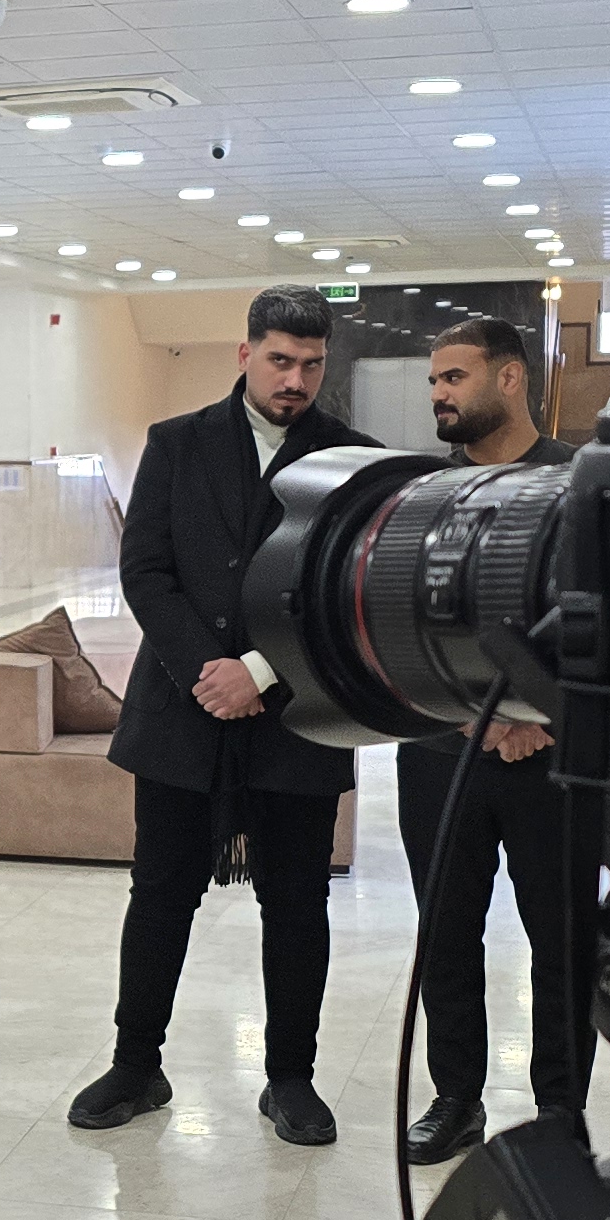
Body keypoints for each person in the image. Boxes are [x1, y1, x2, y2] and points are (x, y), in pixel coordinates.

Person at [70, 286, 365, 1147]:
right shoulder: (177, 443)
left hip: (298, 717)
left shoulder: (352, 458)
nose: (295, 379)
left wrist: (260, 672)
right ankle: (136, 1063)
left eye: (311, 364)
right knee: (161, 894)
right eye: (280, 360)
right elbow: (145, 570)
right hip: (182, 712)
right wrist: (209, 670)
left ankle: (291, 1078)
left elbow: (345, 589)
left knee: (297, 903)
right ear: (246, 354)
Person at [391, 314, 596, 1167]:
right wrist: (471, 719)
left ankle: (561, 1113)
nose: (439, 394)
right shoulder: (416, 496)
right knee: (446, 934)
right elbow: (395, 625)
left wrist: (538, 718)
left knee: (563, 940)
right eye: (434, 381)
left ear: (510, 378)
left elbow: (607, 625)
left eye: (455, 377)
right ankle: (455, 1099)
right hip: (442, 755)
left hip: (554, 760)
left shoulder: (580, 484)